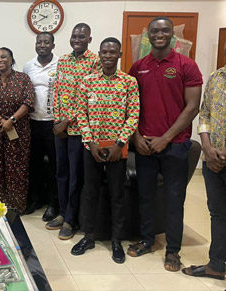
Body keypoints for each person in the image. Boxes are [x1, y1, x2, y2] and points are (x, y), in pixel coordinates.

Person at [127, 16, 202, 272]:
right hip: (145, 145)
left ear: (172, 34)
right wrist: (136, 136)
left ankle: (173, 251)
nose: (160, 34)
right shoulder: (138, 67)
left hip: (175, 146)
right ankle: (148, 240)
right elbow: (130, 107)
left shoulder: (186, 65)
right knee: (146, 197)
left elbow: (192, 107)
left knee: (173, 200)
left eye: (165, 30)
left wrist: (166, 138)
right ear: (148, 34)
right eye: (155, 31)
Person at [70, 38, 140, 264]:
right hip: (92, 148)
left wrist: (119, 144)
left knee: (116, 196)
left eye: (113, 52)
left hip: (117, 149)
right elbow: (81, 113)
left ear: (119, 54)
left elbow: (133, 116)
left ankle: (116, 241)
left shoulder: (129, 82)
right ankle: (88, 237)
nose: (108, 56)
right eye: (104, 52)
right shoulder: (87, 81)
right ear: (99, 54)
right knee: (89, 193)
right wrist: (90, 143)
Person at [181, 31, 226, 283]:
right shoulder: (216, 78)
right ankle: (216, 265)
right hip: (212, 159)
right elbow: (206, 114)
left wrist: (225, 152)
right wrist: (208, 148)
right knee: (218, 213)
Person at [48, 23, 100, 240]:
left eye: (82, 36)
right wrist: (57, 121)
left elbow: (91, 97)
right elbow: (58, 91)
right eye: (74, 36)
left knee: (76, 176)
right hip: (61, 128)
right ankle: (62, 212)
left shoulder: (95, 61)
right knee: (62, 172)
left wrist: (68, 121)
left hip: (80, 129)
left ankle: (71, 219)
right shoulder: (63, 61)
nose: (77, 39)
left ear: (89, 39)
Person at [0, 47, 35, 214]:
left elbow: (28, 102)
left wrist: (12, 120)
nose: (0, 60)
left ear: (11, 59)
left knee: (17, 169)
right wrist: (1, 120)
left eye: (4, 57)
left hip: (18, 133)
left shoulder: (23, 79)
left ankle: (15, 207)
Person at [22, 32, 60, 221]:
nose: (42, 45)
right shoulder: (29, 66)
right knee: (33, 165)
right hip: (32, 122)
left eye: (46, 42)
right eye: (39, 42)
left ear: (53, 45)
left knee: (54, 166)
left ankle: (53, 204)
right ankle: (34, 200)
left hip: (54, 123)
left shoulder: (61, 64)